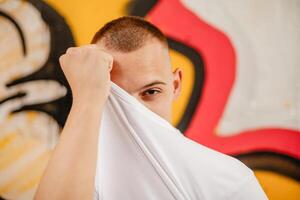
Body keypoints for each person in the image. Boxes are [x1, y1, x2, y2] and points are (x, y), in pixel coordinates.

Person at [34, 16, 267, 200]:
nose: (136, 113)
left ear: (175, 86)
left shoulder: (227, 182)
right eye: (116, 97)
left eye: (151, 92)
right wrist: (87, 98)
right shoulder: (79, 178)